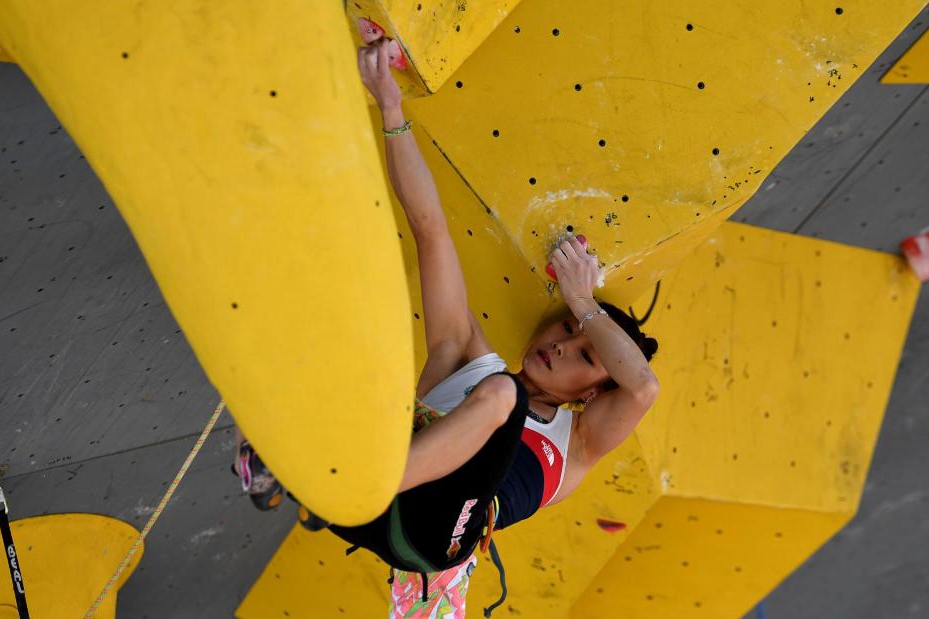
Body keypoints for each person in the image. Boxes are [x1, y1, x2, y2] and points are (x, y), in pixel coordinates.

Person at [235, 38, 661, 618]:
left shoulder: (579, 445)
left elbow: (642, 388)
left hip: (431, 537)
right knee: (355, 348)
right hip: (373, 514)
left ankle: (329, 475)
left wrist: (583, 300)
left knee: (504, 398)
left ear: (591, 394)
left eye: (584, 355)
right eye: (565, 329)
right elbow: (430, 230)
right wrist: (390, 110)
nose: (560, 344)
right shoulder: (464, 357)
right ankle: (305, 469)